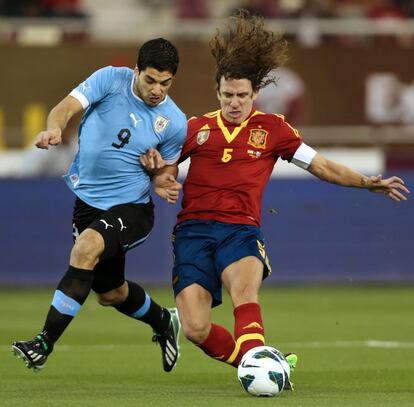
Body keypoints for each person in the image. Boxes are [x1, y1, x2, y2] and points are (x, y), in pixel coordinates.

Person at [140, 10, 410, 389]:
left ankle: (262, 371)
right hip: (192, 233)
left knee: (244, 293)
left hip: (240, 231)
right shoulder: (194, 129)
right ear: (217, 93)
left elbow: (320, 165)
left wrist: (366, 182)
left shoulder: (273, 129)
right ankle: (262, 366)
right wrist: (161, 181)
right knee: (196, 329)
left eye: (243, 96)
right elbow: (164, 170)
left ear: (256, 94)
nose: (235, 103)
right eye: (228, 95)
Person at [12, 38, 187, 373]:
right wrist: (54, 128)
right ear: (136, 71)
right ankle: (164, 320)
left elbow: (167, 169)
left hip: (132, 208)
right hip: (88, 203)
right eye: (150, 80)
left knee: (85, 249)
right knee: (110, 292)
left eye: (165, 83)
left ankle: (42, 344)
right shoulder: (110, 79)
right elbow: (64, 108)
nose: (156, 90)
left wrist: (161, 177)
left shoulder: (175, 122)